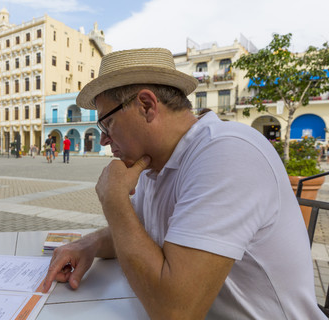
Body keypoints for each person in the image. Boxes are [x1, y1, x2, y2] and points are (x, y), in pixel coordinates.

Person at [42, 48, 325, 319]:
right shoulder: (156, 165)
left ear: (146, 105)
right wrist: (88, 245)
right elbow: (135, 233)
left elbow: (175, 312)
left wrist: (114, 200)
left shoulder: (227, 153)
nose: (103, 139)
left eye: (107, 123)